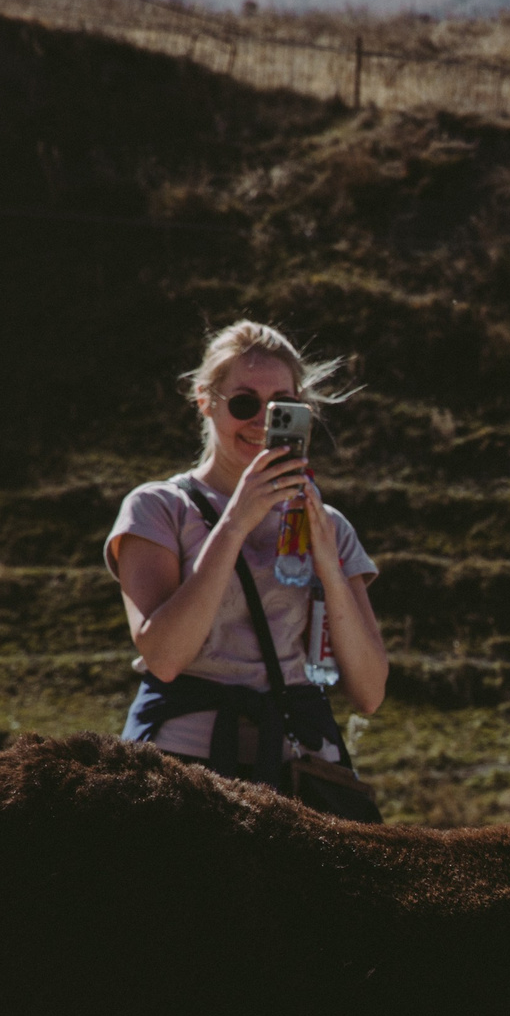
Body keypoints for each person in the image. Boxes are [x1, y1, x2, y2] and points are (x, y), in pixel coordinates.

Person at [106, 322, 388, 805]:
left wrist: (329, 564)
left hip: (298, 767)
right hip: (181, 768)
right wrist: (234, 523)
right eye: (243, 403)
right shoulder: (158, 508)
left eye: (281, 407)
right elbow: (166, 657)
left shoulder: (330, 524)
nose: (261, 421)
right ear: (205, 400)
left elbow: (368, 692)